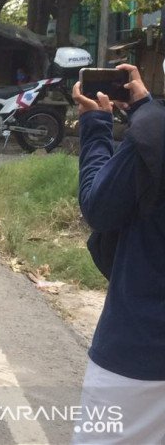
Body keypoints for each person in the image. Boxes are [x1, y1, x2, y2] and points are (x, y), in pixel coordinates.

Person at [72, 64, 165, 444]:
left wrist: (96, 128)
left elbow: (99, 207)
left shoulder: (153, 138)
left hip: (142, 350)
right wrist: (144, 108)